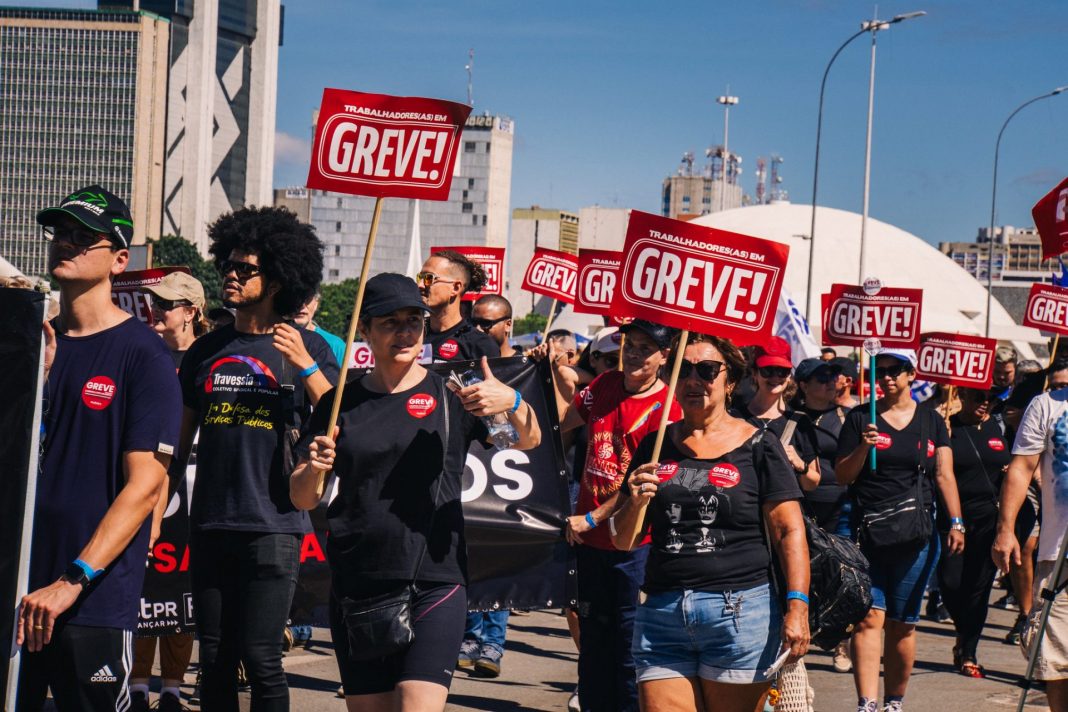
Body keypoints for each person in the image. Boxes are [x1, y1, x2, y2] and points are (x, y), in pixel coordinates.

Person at [288, 272, 540, 712]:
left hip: (434, 577)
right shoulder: (338, 404)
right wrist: (314, 467)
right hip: (359, 580)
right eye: (390, 322)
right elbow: (302, 498)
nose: (404, 332)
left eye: (413, 320)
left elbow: (527, 441)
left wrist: (515, 404)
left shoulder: (453, 392)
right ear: (364, 329)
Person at [17, 185, 181, 711]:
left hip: (89, 599)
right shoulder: (27, 342)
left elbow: (145, 486)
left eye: (83, 236)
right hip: (17, 584)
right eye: (60, 232)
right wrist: (29, 385)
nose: (66, 243)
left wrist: (73, 579)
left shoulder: (144, 354)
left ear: (118, 258)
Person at [177, 206, 340, 710]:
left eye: (244, 269)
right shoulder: (206, 350)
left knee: (263, 655)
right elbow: (180, 442)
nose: (230, 274)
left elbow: (340, 418)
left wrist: (306, 365)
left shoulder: (309, 346)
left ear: (275, 279)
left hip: (274, 524)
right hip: (210, 522)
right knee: (216, 657)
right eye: (227, 264)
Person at [610, 332, 810, 712]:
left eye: (706, 370)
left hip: (740, 613)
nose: (693, 380)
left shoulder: (760, 445)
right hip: (662, 612)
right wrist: (634, 501)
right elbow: (623, 541)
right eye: (683, 370)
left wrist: (797, 607)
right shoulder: (655, 446)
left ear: (730, 381)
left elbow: (789, 530)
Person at [550, 319, 684, 712]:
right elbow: (564, 424)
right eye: (631, 344)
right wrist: (554, 377)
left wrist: (592, 518)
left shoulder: (668, 410)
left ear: (664, 356)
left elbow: (637, 484)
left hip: (632, 545)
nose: (635, 352)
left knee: (627, 646)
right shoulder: (605, 384)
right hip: (587, 539)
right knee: (592, 642)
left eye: (647, 347)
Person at [835, 349, 965, 712]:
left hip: (916, 536)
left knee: (903, 624)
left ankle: (894, 701)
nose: (887, 377)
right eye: (882, 370)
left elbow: (944, 474)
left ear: (911, 374)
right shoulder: (861, 417)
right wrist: (864, 446)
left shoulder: (931, 421)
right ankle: (867, 702)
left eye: (896, 370)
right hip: (868, 533)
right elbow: (843, 475)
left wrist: (956, 522)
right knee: (868, 619)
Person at [128, 272, 208, 711]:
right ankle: (138, 685)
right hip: (146, 484)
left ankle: (173, 690)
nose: (156, 310)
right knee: (145, 588)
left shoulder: (209, 357)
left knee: (182, 592)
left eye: (168, 304)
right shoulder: (144, 353)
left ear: (192, 312)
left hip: (194, 491)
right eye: (153, 302)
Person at [993, 358, 1068, 712]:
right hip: (1058, 554)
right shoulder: (1047, 405)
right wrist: (1006, 530)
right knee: (1054, 658)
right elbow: (1022, 468)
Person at [460, 293, 518, 676]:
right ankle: (468, 634)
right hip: (470, 472)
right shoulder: (464, 362)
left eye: (488, 324)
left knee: (500, 559)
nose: (479, 330)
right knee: (466, 555)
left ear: (507, 325)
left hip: (511, 476)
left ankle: (492, 643)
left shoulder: (524, 366)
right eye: (475, 322)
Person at [934, 387, 1009, 678]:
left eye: (990, 398)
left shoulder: (1000, 425)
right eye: (978, 397)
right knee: (950, 583)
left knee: (979, 589)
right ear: (961, 395)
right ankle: (964, 631)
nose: (985, 403)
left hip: (990, 519)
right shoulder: (948, 426)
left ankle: (968, 651)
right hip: (952, 518)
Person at [741, 337, 820, 495]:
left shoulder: (800, 422)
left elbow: (813, 483)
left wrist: (799, 464)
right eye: (767, 370)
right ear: (754, 373)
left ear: (789, 376)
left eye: (782, 371)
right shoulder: (735, 417)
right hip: (742, 513)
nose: (775, 377)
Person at [418, 250, 500, 362]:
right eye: (420, 277)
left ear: (455, 288)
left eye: (429, 278)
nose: (420, 285)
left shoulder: (480, 345)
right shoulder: (410, 334)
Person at [294, 290, 348, 367]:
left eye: (307, 299)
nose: (302, 305)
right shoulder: (274, 341)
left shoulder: (336, 345)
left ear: (316, 304)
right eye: (295, 299)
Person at [472, 294, 516, 358]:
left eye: (485, 323)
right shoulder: (465, 362)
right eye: (473, 322)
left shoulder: (525, 365)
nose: (477, 328)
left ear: (508, 325)